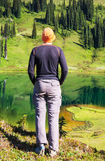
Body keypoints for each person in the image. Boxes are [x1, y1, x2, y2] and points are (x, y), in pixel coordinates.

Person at [28, 27, 68, 156]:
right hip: (54, 84)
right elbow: (65, 70)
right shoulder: (58, 50)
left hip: (39, 83)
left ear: (42, 37)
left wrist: (36, 82)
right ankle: (53, 149)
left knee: (40, 115)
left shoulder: (35, 50)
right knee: (53, 117)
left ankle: (40, 146)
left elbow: (30, 70)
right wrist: (59, 82)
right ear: (52, 37)